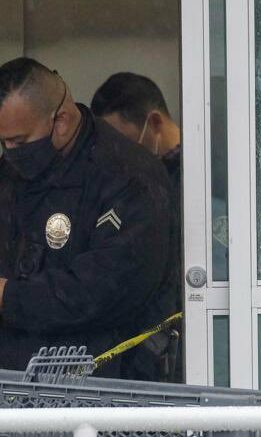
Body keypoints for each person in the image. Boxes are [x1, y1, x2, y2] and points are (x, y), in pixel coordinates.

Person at [0, 58, 173, 378]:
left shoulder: (128, 175)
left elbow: (110, 286)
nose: (9, 151)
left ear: (63, 121)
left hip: (98, 386)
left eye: (18, 141)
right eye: (1, 142)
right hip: (5, 381)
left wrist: (14, 298)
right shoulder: (6, 174)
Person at [91, 72, 183, 382]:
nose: (119, 154)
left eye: (123, 141)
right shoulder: (122, 184)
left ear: (154, 123)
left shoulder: (201, 175)